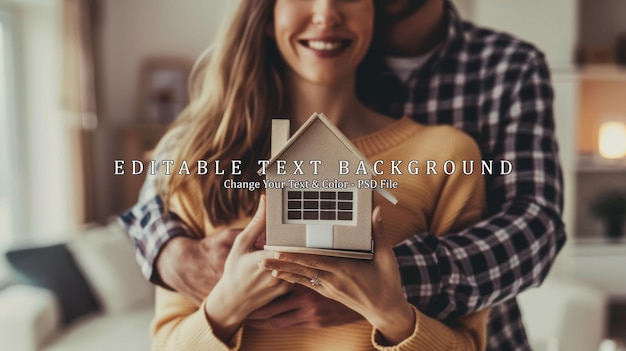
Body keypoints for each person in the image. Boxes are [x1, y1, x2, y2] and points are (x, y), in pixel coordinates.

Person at [120, 0, 566, 350]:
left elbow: (537, 227)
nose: (326, 13)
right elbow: (160, 194)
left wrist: (367, 285)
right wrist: (171, 253)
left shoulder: (494, 86)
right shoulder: (202, 156)